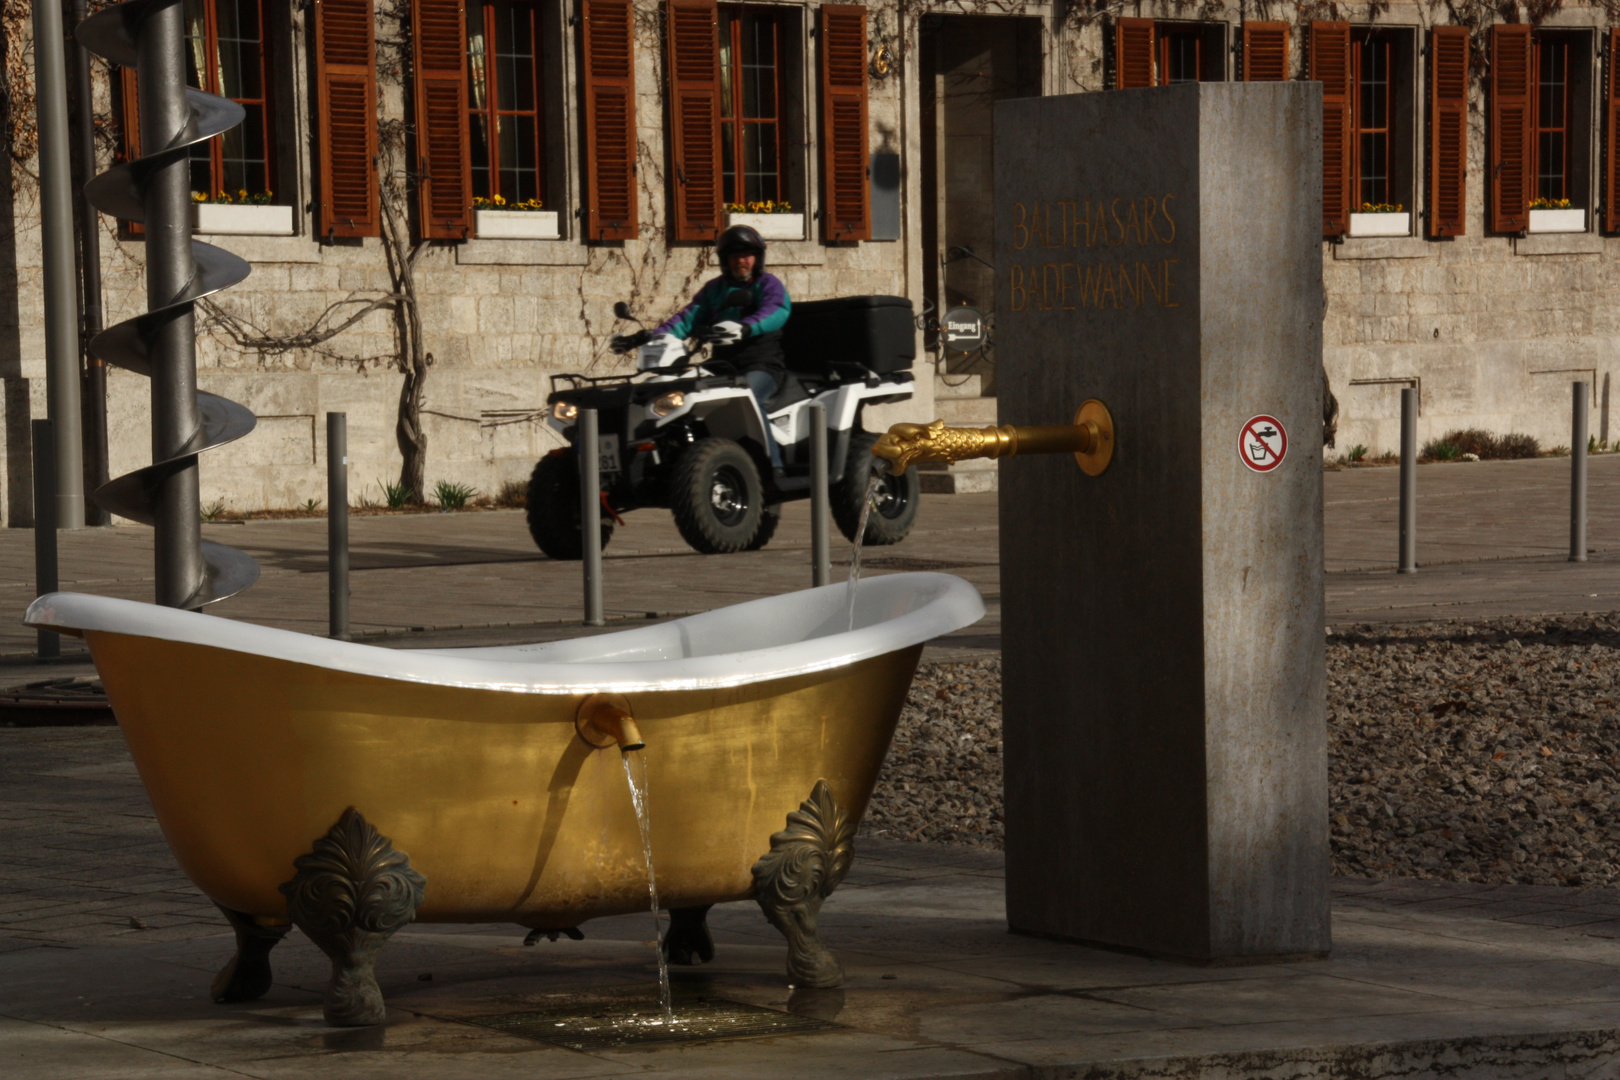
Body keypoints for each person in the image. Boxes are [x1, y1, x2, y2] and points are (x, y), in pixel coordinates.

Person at [653, 225, 792, 468]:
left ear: (757, 258)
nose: (741, 260)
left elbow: (777, 310)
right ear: (725, 260)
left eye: (747, 255)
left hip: (762, 365)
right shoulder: (715, 289)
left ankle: (772, 465)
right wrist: (658, 336)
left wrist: (746, 327)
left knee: (749, 396)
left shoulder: (767, 284)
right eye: (734, 256)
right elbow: (690, 317)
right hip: (723, 366)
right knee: (684, 389)